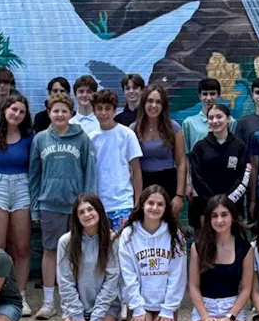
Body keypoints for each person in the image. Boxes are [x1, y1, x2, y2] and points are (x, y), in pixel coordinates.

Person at [29, 92, 98, 320]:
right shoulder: (40, 139)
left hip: (76, 205)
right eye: (55, 110)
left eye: (64, 111)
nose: (59, 114)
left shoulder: (82, 138)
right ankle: (49, 303)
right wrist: (35, 205)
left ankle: (74, 304)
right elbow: (34, 176)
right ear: (49, 113)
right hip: (49, 203)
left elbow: (90, 171)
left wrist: (88, 203)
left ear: (71, 113)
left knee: (77, 253)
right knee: (50, 251)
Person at [0, 93, 35, 317]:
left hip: (22, 187)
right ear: (4, 110)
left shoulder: (30, 136)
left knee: (21, 246)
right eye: (13, 110)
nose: (17, 114)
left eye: (21, 111)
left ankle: (20, 294)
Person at [118, 185, 187, 321]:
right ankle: (142, 319)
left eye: (160, 204)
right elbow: (127, 276)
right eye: (150, 203)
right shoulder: (129, 234)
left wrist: (168, 309)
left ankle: (162, 320)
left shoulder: (175, 235)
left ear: (166, 208)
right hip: (140, 302)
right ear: (142, 205)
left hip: (164, 302)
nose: (155, 208)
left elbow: (177, 276)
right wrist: (137, 308)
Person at [188, 194, 253, 321]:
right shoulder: (198, 247)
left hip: (231, 308)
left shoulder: (245, 248)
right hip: (205, 306)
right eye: (214, 216)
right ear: (208, 219)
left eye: (224, 214)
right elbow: (193, 287)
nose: (219, 220)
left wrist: (230, 317)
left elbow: (246, 289)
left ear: (232, 216)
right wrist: (204, 316)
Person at [58, 193, 121, 321]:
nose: (87, 215)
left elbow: (111, 282)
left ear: (99, 211)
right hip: (76, 309)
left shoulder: (112, 239)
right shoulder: (66, 242)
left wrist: (96, 319)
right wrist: (78, 318)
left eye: (90, 209)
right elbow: (65, 283)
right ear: (76, 217)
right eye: (81, 212)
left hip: (105, 308)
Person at [188, 103, 251, 230]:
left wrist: (228, 201)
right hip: (205, 206)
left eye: (219, 117)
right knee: (207, 245)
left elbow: (243, 175)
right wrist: (212, 202)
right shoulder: (200, 147)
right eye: (211, 118)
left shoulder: (240, 146)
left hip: (233, 206)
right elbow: (196, 177)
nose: (215, 121)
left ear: (228, 119)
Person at [88, 89, 143, 230]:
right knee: (103, 248)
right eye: (99, 109)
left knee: (123, 247)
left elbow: (136, 171)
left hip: (123, 203)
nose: (104, 113)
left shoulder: (127, 134)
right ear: (93, 111)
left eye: (108, 108)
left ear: (115, 110)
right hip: (99, 204)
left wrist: (137, 201)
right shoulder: (90, 138)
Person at [133, 85, 187, 216]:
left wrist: (179, 195)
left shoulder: (174, 128)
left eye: (158, 102)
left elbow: (181, 163)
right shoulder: (134, 129)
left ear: (163, 105)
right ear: (144, 103)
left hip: (167, 182)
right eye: (150, 101)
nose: (154, 105)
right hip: (143, 183)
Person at [182, 78, 231, 153]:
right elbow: (185, 153)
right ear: (199, 96)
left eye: (212, 94)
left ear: (219, 95)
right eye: (205, 94)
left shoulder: (230, 121)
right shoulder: (189, 123)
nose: (208, 98)